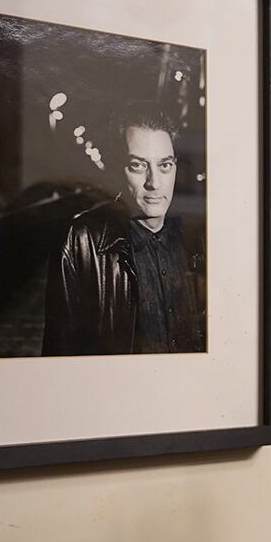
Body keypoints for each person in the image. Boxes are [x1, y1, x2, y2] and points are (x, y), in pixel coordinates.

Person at [43, 105, 206, 355]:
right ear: (120, 168)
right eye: (138, 165)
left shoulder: (198, 238)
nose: (154, 183)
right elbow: (59, 353)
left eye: (164, 165)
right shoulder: (81, 240)